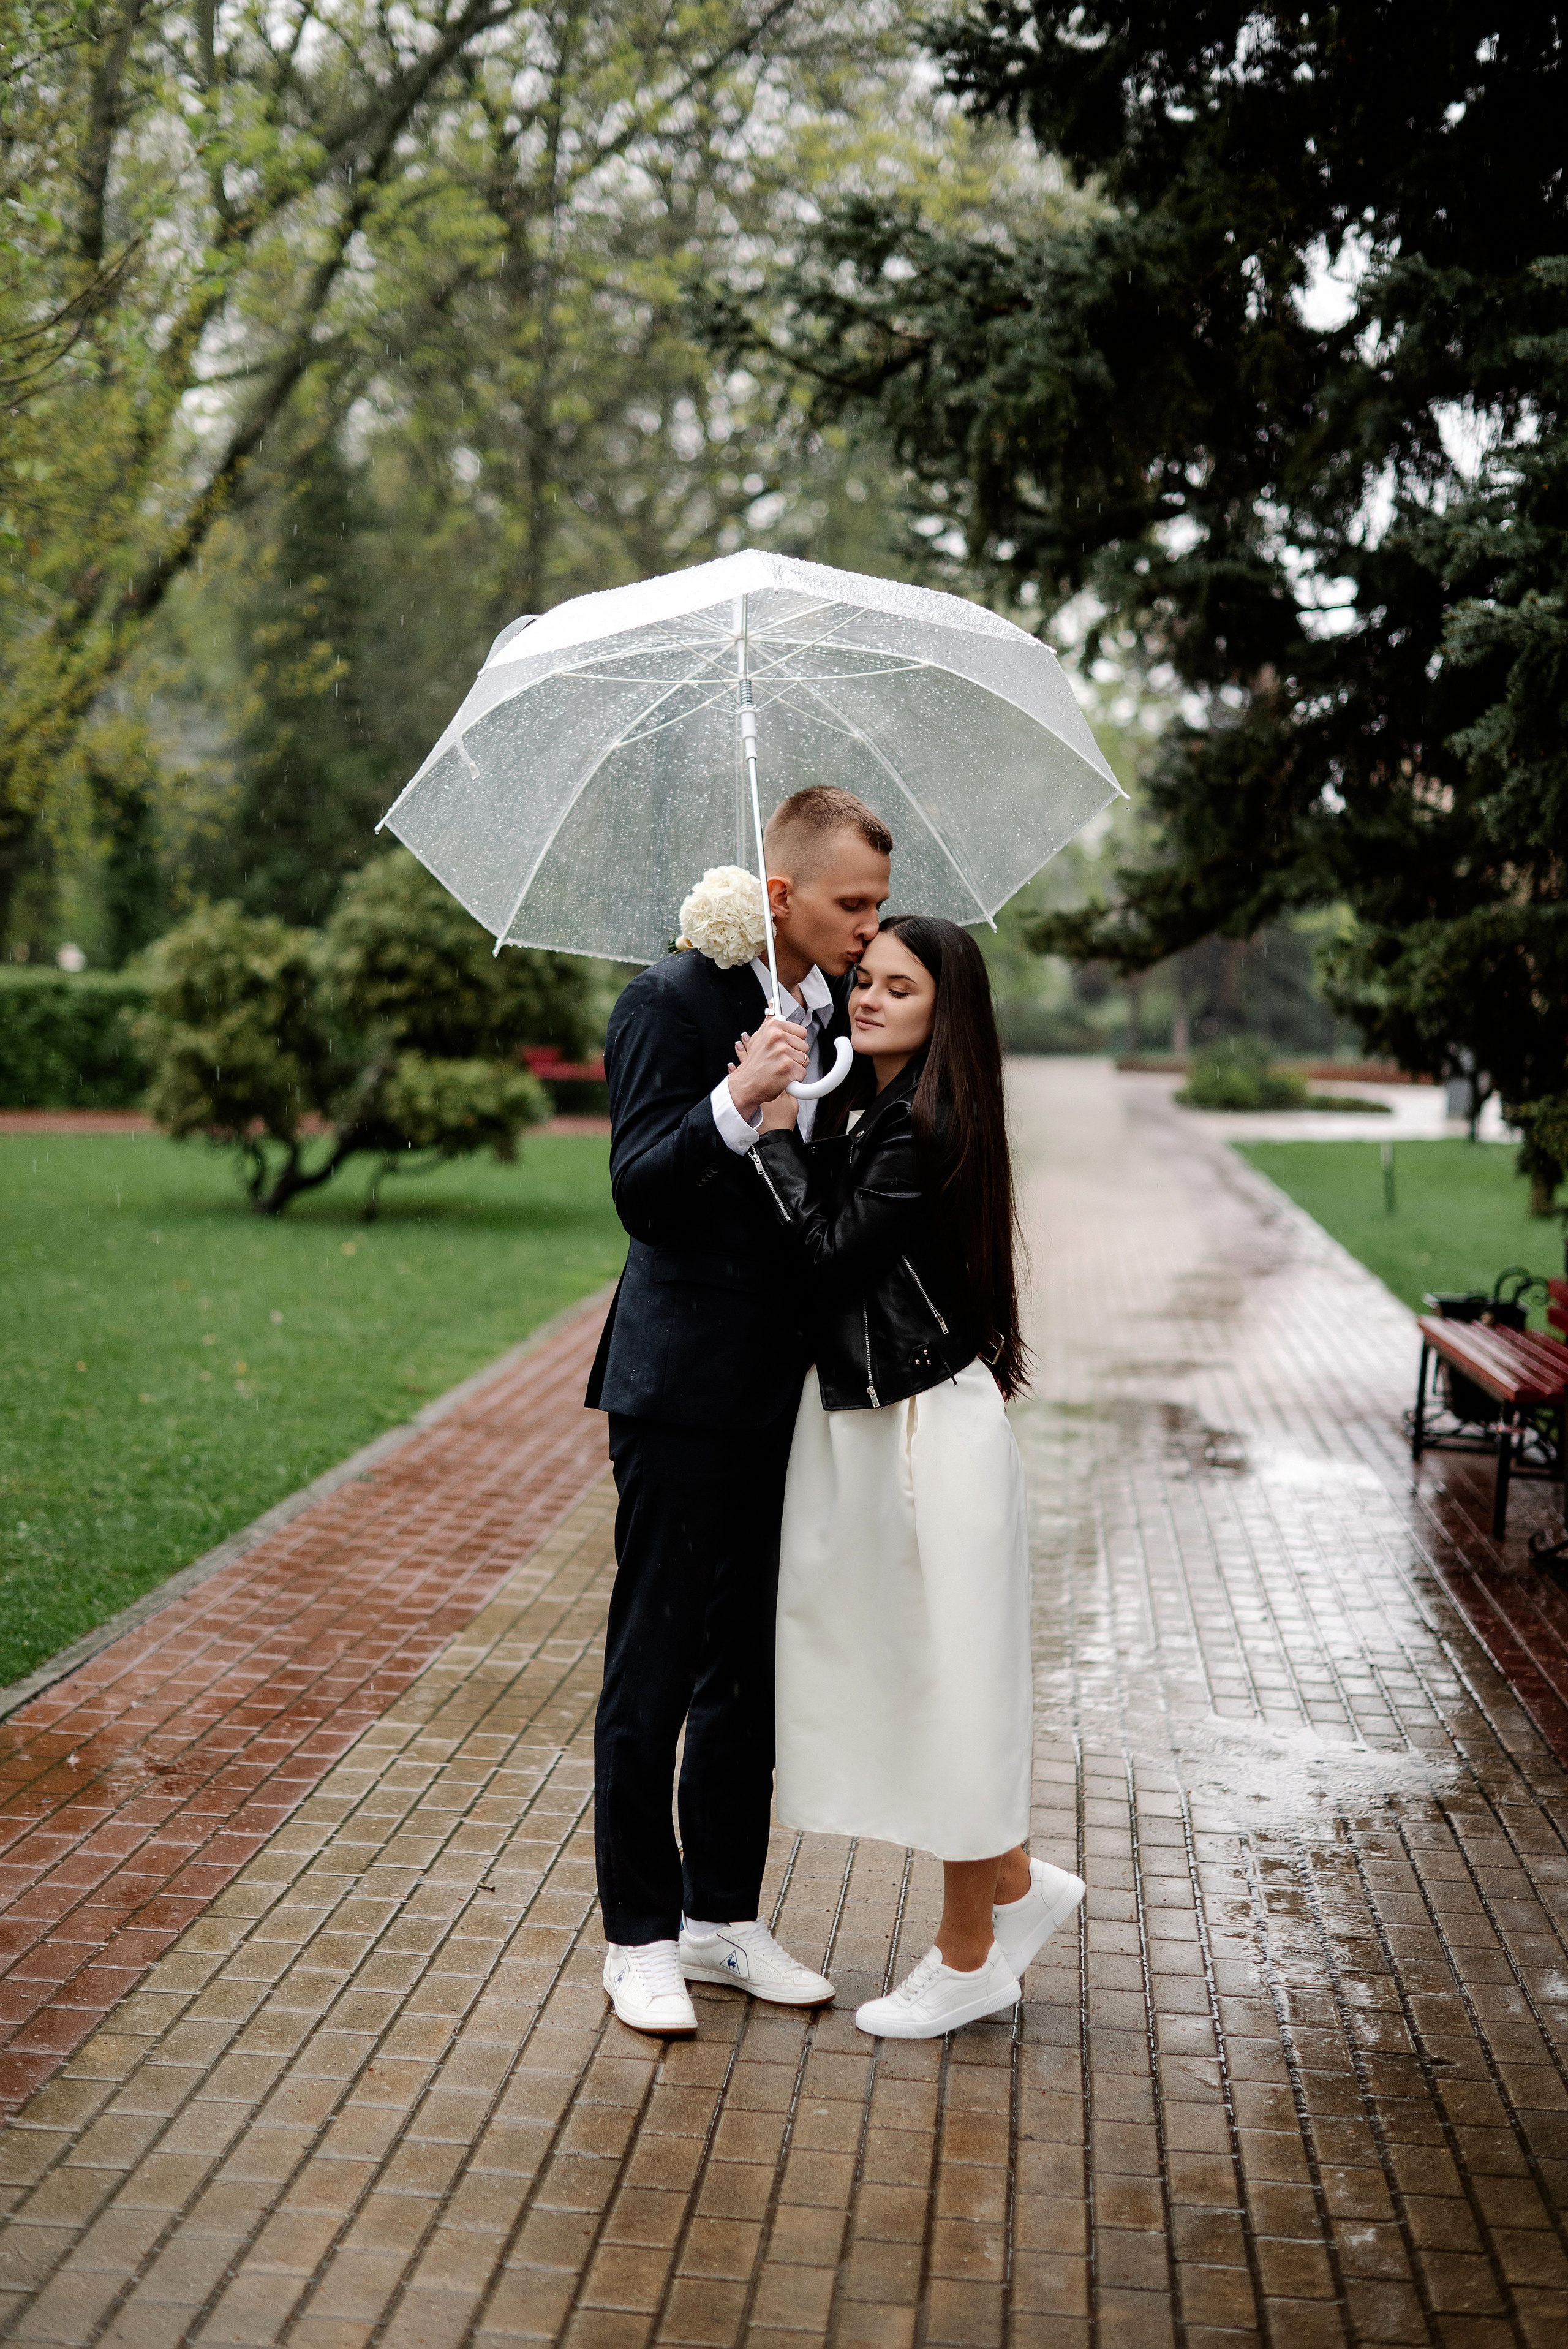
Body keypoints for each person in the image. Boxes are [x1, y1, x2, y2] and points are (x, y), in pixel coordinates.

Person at [740, 913, 1085, 2040]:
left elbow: (830, 1256)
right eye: (864, 979)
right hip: (891, 1424)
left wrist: (776, 1130)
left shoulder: (922, 1120)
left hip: (930, 1431)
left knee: (954, 1687)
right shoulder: (883, 1109)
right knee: (924, 1672)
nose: (872, 996)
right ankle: (1020, 1884)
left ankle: (971, 1954)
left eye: (901, 986)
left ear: (948, 1012)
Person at [586, 785, 894, 2036]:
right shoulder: (671, 1002)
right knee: (650, 1666)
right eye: (850, 904)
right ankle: (639, 1938)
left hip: (785, 1392)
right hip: (677, 1390)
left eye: (878, 903)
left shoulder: (841, 1014)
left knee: (744, 1676)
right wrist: (733, 1104)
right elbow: (639, 1195)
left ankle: (721, 1919)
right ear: (780, 898)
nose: (871, 929)